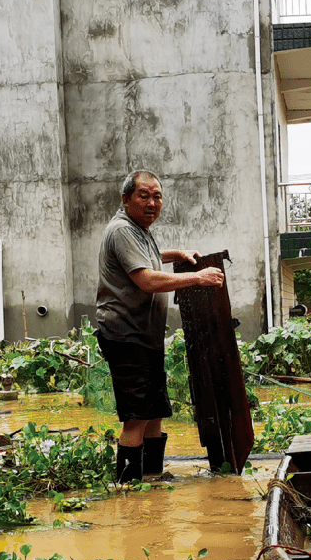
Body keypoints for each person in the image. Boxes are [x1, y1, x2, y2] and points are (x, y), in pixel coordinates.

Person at [95, 170, 224, 482]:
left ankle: (151, 476)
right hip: (126, 335)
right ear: (127, 199)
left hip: (144, 336)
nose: (152, 202)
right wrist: (197, 277)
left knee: (154, 409)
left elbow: (148, 258)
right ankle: (129, 489)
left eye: (157, 196)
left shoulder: (139, 229)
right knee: (137, 415)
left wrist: (175, 254)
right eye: (144, 195)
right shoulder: (123, 230)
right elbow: (147, 279)